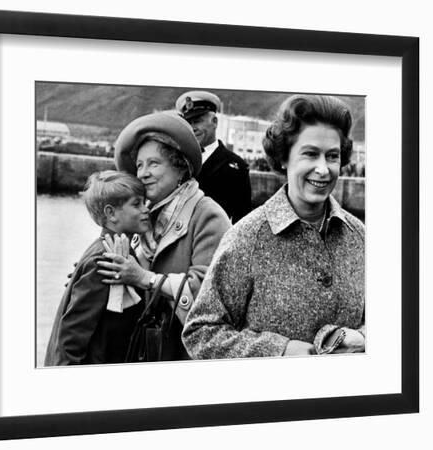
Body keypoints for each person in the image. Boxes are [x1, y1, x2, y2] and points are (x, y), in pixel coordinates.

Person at [182, 94, 365, 358]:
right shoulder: (246, 238)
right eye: (310, 154)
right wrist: (278, 350)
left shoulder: (360, 236)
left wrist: (362, 338)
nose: (323, 169)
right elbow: (200, 333)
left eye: (332, 156)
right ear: (283, 158)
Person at [97, 112, 231, 360]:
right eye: (139, 165)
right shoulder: (143, 216)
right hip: (142, 349)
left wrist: (143, 277)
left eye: (153, 163)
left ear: (180, 168)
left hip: (184, 356)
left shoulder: (208, 215)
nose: (143, 173)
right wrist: (94, 270)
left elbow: (207, 292)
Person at [44, 170, 151, 365]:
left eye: (144, 202)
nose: (146, 210)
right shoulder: (104, 259)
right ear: (111, 213)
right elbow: (72, 335)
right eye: (137, 204)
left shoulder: (119, 251)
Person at [175, 90, 252, 223]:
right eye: (189, 123)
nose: (193, 128)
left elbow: (242, 219)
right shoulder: (177, 161)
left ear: (215, 122)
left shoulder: (235, 166)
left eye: (197, 121)